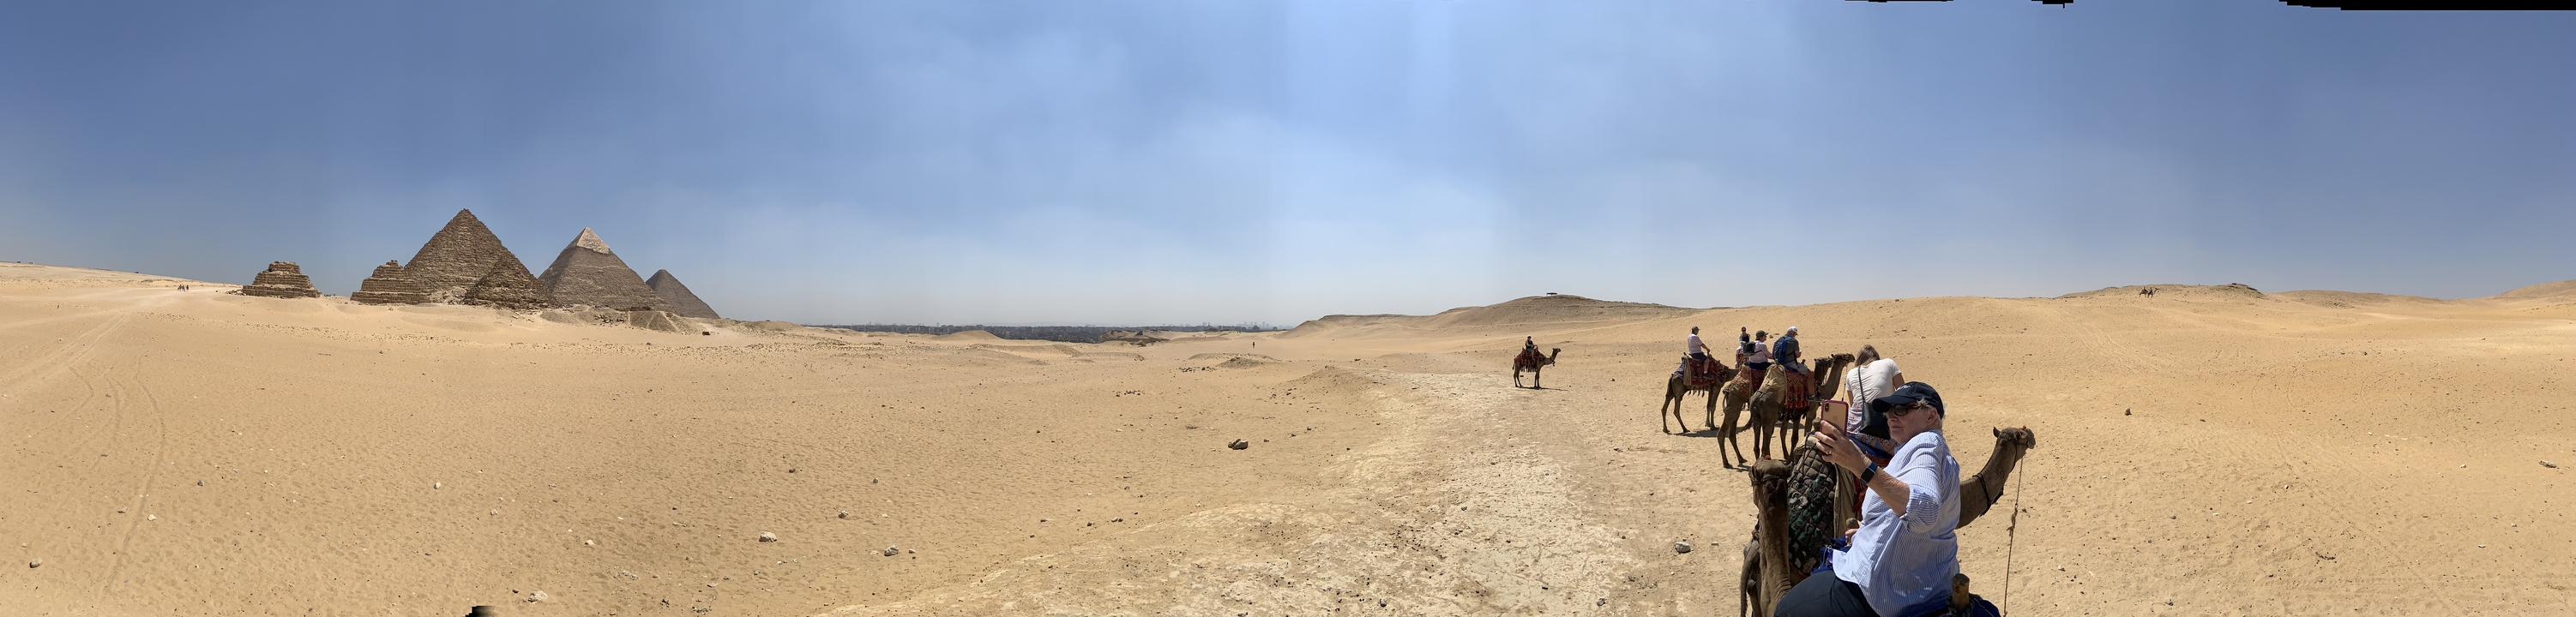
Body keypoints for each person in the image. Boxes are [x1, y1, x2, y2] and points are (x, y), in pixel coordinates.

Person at [1780, 383, 1961, 617]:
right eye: (1888, 410)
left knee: (1786, 609)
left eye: (1902, 409)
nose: (1892, 416)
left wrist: (1858, 464)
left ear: (1931, 416)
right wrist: (1868, 529)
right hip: (1925, 584)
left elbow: (1924, 511)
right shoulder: (1935, 453)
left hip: (1885, 593)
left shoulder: (1926, 444)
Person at [1843, 345, 1904, 434]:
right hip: (1885, 424)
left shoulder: (1851, 373)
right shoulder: (1888, 363)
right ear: (1876, 358)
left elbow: (1854, 406)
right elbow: (1903, 394)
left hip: (1856, 428)